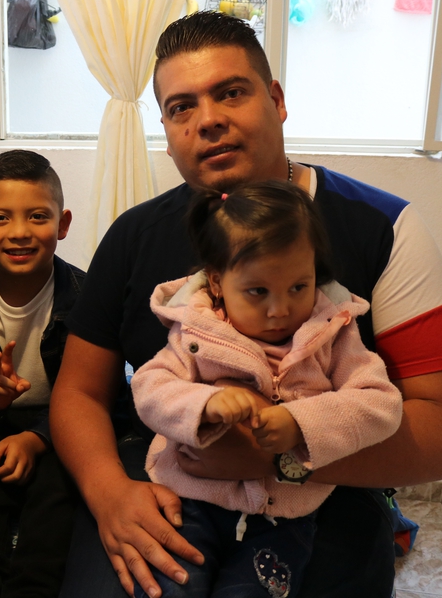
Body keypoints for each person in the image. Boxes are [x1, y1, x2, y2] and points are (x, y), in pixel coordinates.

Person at [51, 11, 442, 598]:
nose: (209, 121)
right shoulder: (133, 235)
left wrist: (276, 460)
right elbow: (79, 392)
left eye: (231, 93)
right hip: (167, 484)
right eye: (181, 108)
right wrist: (108, 492)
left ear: (276, 99)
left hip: (332, 495)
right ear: (167, 130)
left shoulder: (385, 228)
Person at [130, 181, 403, 597]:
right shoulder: (196, 328)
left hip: (283, 517)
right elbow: (150, 386)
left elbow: (380, 403)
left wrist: (300, 425)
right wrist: (205, 404)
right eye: (257, 292)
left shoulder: (334, 331)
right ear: (218, 283)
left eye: (299, 287)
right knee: (169, 587)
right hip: (188, 498)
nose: (280, 310)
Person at [0, 150, 83, 597]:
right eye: (1, 218)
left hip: (62, 427)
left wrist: (38, 438)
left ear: (63, 224)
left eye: (38, 216)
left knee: (56, 496)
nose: (21, 233)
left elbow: (102, 396)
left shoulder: (85, 297)